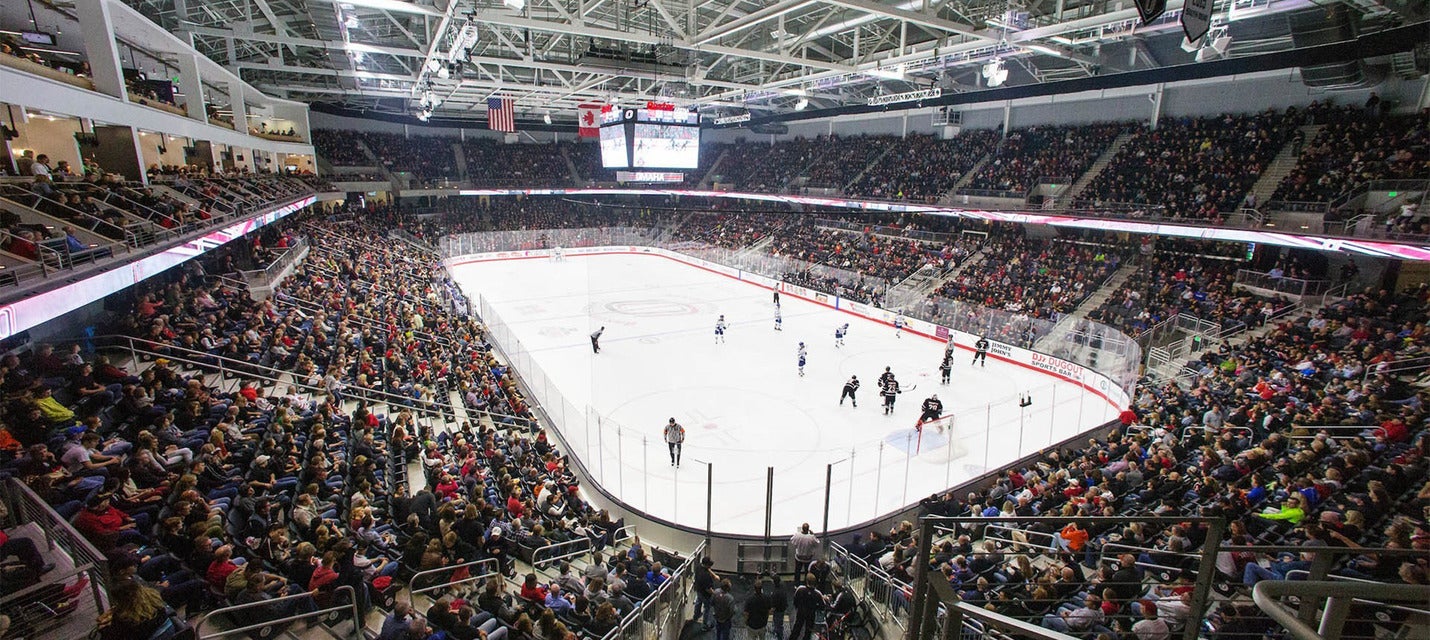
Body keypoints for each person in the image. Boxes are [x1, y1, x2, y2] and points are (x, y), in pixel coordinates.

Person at [790, 573, 825, 640]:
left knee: (797, 627)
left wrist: (797, 607)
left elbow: (795, 599)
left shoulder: (800, 589)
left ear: (806, 581)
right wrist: (815, 608)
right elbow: (822, 606)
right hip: (811, 613)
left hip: (801, 612)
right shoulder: (818, 593)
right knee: (808, 630)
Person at [692, 557, 717, 629]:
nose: (710, 566)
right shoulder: (705, 576)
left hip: (698, 589)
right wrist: (715, 594)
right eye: (709, 565)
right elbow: (708, 589)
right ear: (706, 565)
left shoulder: (699, 566)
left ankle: (696, 616)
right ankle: (705, 625)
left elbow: (708, 569)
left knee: (698, 602)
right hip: (705, 594)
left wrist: (714, 575)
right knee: (707, 607)